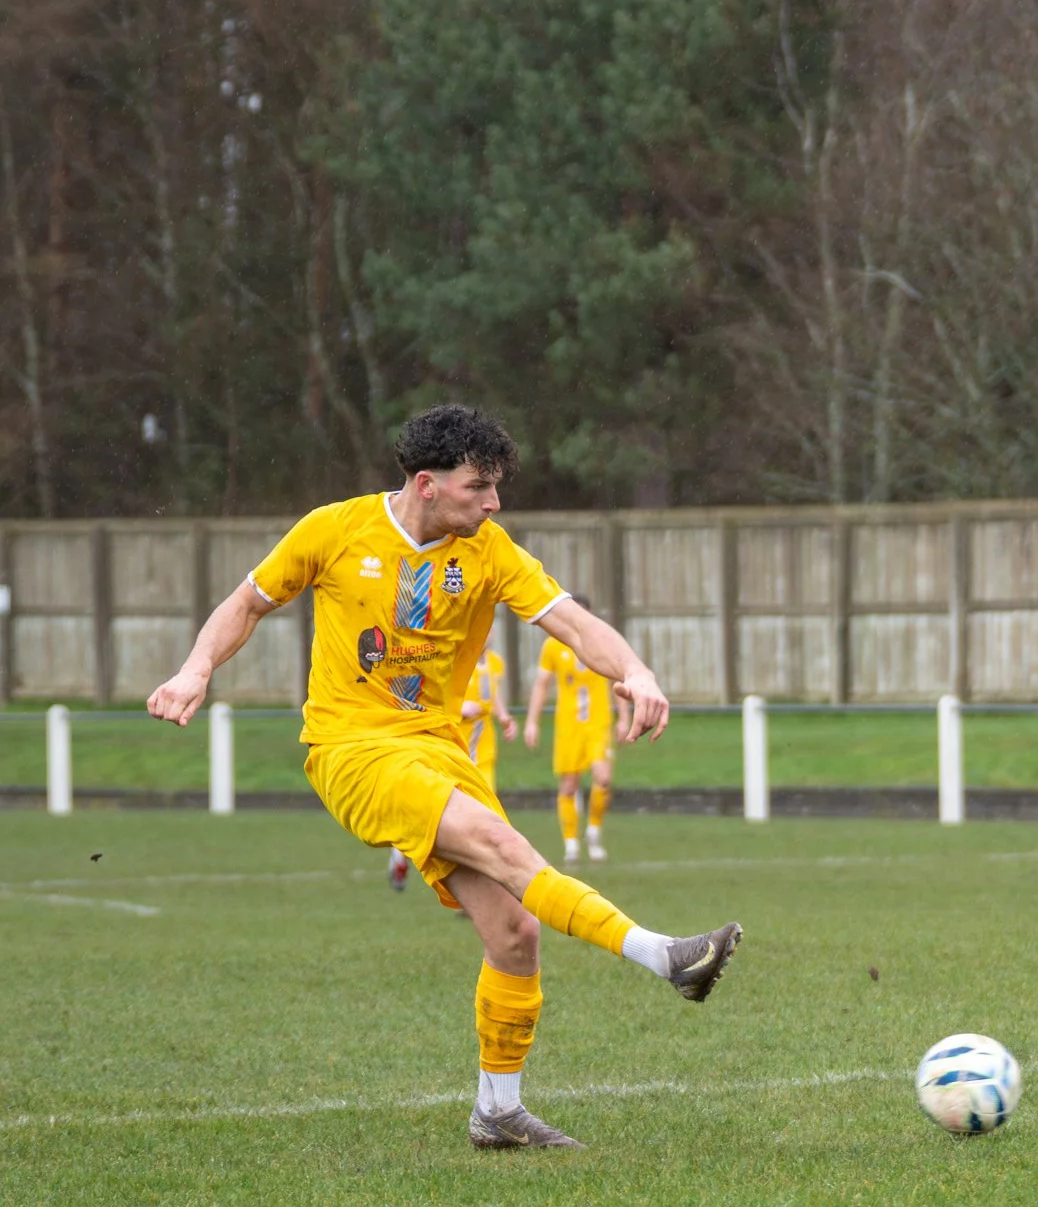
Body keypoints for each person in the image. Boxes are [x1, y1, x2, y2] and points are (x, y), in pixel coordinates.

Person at [147, 405, 742, 1150]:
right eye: (478, 487)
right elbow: (247, 603)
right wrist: (196, 667)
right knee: (497, 839)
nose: (493, 503)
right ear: (427, 484)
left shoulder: (488, 551)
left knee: (515, 931)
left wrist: (637, 670)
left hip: (438, 747)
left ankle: (497, 1111)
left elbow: (574, 623)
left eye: (495, 488)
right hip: (352, 747)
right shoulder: (333, 530)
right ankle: (664, 955)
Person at [389, 636, 516, 892]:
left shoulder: (496, 663)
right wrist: (459, 710)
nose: (488, 633)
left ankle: (478, 888)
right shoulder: (455, 661)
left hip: (483, 753)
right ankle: (400, 853)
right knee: (431, 814)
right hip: (450, 753)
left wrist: (504, 717)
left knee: (489, 818)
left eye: (491, 628)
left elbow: (493, 694)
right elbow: (432, 700)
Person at [525, 599, 620, 865]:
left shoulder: (599, 642)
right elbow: (542, 684)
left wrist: (624, 716)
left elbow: (617, 677)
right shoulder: (553, 646)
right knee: (569, 785)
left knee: (603, 778)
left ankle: (593, 831)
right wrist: (532, 721)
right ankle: (571, 843)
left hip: (597, 723)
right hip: (568, 726)